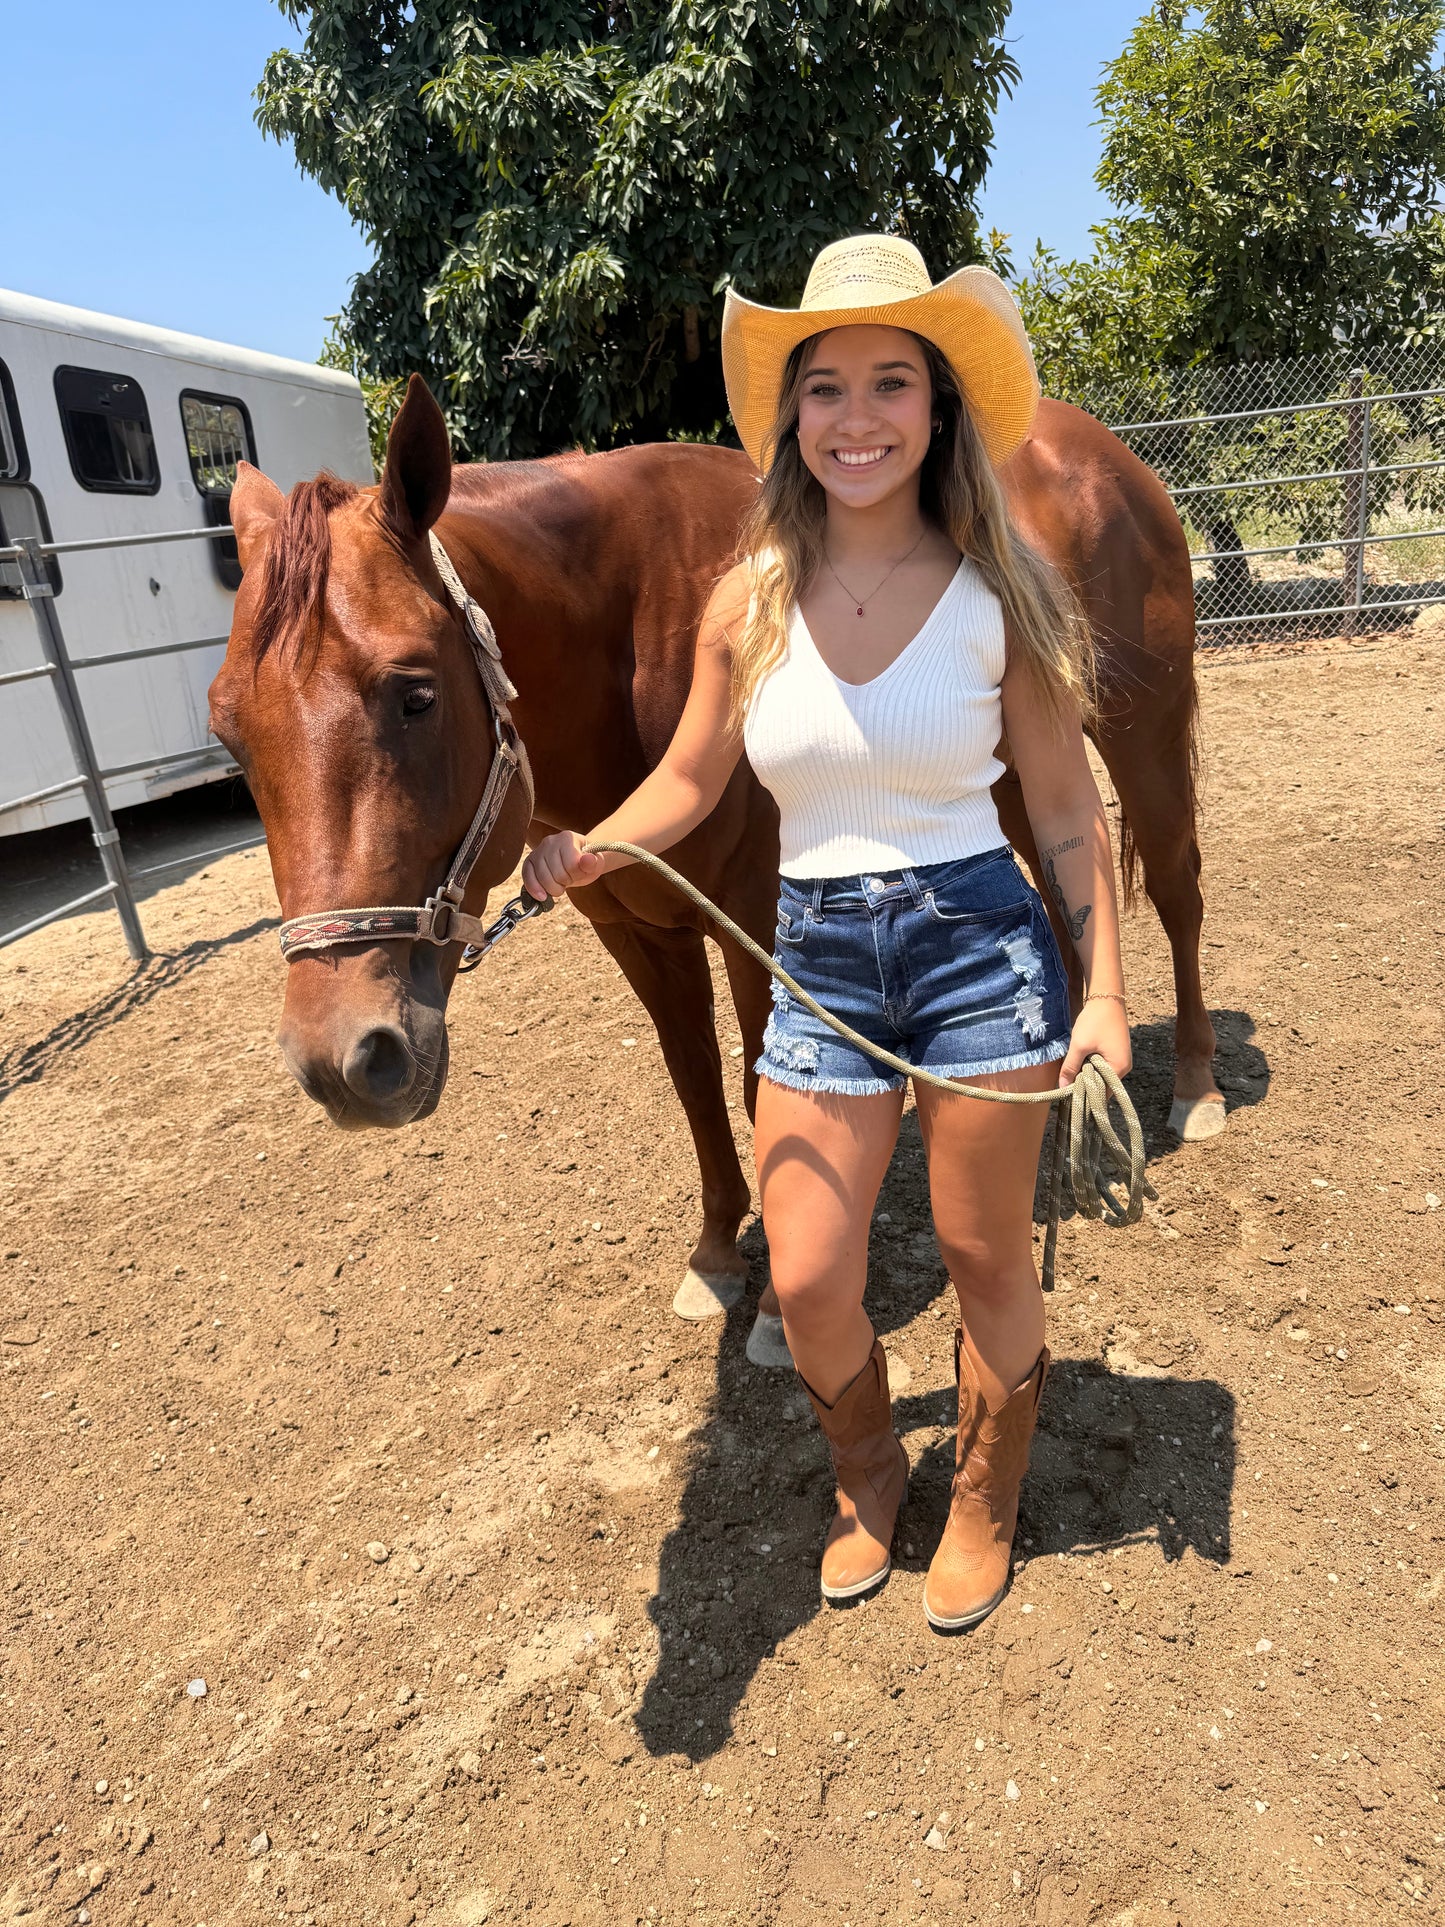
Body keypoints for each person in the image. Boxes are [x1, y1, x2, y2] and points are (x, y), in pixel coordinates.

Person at [522, 235, 1131, 1632]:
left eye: (889, 385)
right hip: (820, 956)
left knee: (984, 1256)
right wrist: (590, 845)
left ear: (935, 411)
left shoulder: (999, 591)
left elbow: (1059, 806)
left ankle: (980, 1490)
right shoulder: (750, 599)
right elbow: (688, 779)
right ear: (794, 417)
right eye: (827, 389)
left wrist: (1104, 990)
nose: (857, 419)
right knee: (802, 1274)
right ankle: (870, 1469)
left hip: (982, 943)